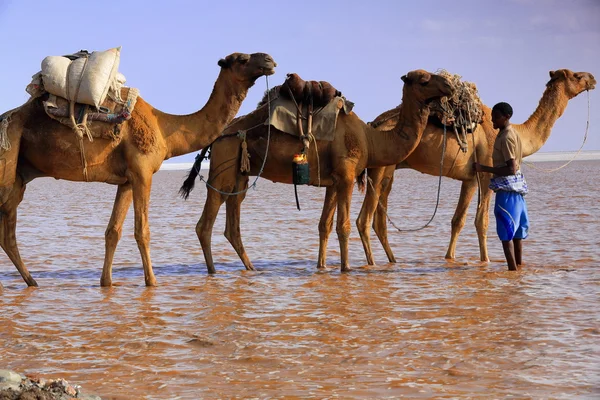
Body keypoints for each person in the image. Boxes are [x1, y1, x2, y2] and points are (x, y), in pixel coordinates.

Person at [473, 102, 529, 271]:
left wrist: (483, 168)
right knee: (517, 235)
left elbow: (511, 169)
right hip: (518, 194)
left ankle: (512, 273)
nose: (493, 121)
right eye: (492, 118)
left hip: (507, 193)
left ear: (506, 117)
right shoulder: (514, 133)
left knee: (506, 237)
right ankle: (518, 272)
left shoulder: (505, 137)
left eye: (496, 118)